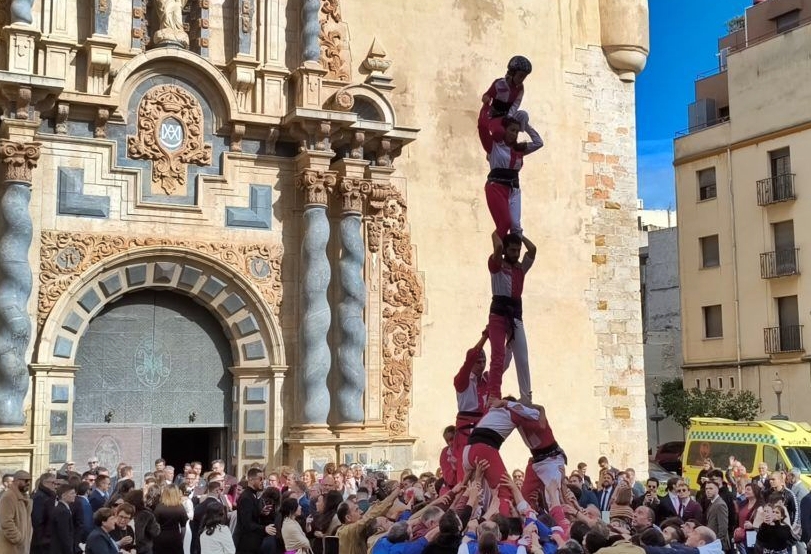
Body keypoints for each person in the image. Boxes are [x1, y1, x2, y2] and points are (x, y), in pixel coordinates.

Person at [462, 397, 540, 515]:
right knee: (504, 492)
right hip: (483, 449)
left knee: (475, 494)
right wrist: (507, 403)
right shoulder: (511, 411)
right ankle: (504, 523)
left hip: (467, 452)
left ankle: (468, 521)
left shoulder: (490, 412)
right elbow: (535, 414)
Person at [478, 102, 543, 241]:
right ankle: (498, 247)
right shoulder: (495, 146)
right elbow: (482, 127)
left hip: (514, 190)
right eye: (512, 130)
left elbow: (539, 143)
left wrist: (525, 126)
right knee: (505, 223)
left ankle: (514, 252)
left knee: (516, 226)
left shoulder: (519, 149)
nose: (514, 134)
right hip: (497, 186)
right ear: (504, 130)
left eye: (516, 132)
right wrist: (486, 105)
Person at [485, 232, 537, 404]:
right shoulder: (496, 266)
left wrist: (519, 235)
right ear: (505, 251)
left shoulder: (520, 268)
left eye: (518, 250)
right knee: (498, 355)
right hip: (498, 315)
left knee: (522, 357)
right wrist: (498, 231)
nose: (516, 254)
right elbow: (498, 246)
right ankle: (493, 394)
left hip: (515, 316)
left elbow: (533, 249)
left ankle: (526, 397)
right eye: (512, 250)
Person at [451, 331, 489, 484]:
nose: (481, 365)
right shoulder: (462, 380)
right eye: (478, 362)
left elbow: (502, 363)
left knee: (486, 467)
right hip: (466, 431)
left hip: (483, 429)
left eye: (484, 361)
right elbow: (470, 358)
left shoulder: (488, 379)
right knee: (465, 471)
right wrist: (485, 337)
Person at [481, 56, 532, 127]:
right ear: (512, 73)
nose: (522, 80)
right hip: (495, 114)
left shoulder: (520, 88)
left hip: (508, 115)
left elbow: (516, 103)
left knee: (524, 115)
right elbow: (488, 94)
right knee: (498, 128)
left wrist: (509, 116)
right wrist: (486, 98)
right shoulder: (499, 83)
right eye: (520, 76)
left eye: (524, 77)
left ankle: (525, 131)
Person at [234, 468, 276, 554]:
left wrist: (261, 512)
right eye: (260, 479)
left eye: (264, 479)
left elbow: (251, 516)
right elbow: (247, 523)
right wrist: (264, 528)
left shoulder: (253, 495)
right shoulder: (246, 497)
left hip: (252, 543)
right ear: (251, 480)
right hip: (246, 545)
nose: (263, 482)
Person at [0, 470, 32, 554]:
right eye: (26, 480)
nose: (28, 483)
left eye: (29, 481)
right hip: (11, 548)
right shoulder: (8, 497)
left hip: (21, 548)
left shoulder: (24, 498)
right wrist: (18, 539)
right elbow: (6, 522)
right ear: (17, 481)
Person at [153, 485, 188, 554]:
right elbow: (183, 527)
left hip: (161, 538)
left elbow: (154, 525)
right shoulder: (180, 508)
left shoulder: (159, 507)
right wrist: (181, 539)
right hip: (175, 537)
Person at [124, 489, 161, 554]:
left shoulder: (124, 512)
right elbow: (155, 532)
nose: (145, 499)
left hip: (126, 548)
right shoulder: (147, 515)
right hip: (144, 549)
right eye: (143, 497)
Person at [32, 473, 58, 554]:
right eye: (53, 483)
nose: (55, 486)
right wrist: (44, 539)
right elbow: (37, 520)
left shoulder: (49, 496)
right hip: (42, 542)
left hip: (48, 539)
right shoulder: (40, 497)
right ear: (44, 483)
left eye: (56, 483)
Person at [50, 484, 76, 554]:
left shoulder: (62, 509)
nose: (75, 495)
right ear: (63, 495)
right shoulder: (62, 511)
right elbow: (64, 535)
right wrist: (69, 551)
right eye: (72, 493)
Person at [704, 482, 730, 552]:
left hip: (718, 544)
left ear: (717, 490)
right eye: (706, 489)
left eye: (711, 488)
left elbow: (723, 527)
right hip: (713, 542)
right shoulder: (712, 503)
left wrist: (716, 541)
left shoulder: (720, 504)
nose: (708, 491)